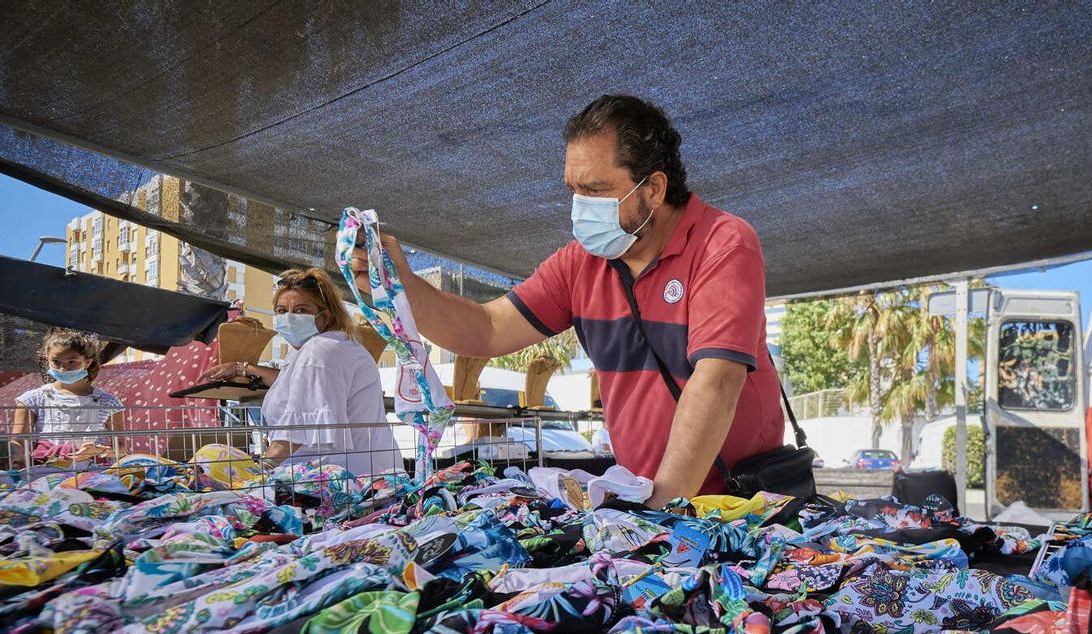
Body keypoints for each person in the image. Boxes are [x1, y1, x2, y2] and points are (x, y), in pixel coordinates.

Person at [350, 95, 784, 504]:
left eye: (595, 189)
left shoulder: (722, 243)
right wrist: (403, 285)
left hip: (731, 506)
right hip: (645, 500)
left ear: (653, 188)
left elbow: (717, 380)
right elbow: (487, 328)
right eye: (574, 189)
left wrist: (663, 509)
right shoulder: (580, 264)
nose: (581, 206)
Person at [201, 268, 401, 477]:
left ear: (325, 315)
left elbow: (295, 432)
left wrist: (257, 472)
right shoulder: (328, 345)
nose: (289, 318)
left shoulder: (319, 351)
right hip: (365, 473)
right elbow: (297, 383)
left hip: (346, 482)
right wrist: (244, 368)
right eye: (281, 311)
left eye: (301, 310)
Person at [12, 330, 125, 466]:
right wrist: (14, 456)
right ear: (47, 360)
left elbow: (121, 448)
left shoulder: (109, 402)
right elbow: (18, 441)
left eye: (72, 362)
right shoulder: (32, 399)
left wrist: (98, 450)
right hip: (46, 473)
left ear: (87, 362)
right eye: (56, 361)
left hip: (93, 474)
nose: (63, 368)